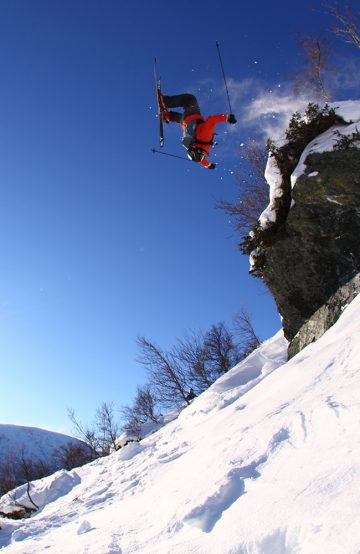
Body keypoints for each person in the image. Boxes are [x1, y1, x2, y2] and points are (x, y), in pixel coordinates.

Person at [160, 92, 237, 169]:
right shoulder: (195, 148)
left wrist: (227, 117)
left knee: (189, 99)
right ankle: (167, 116)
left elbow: (212, 120)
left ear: (202, 152)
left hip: (192, 116)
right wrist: (208, 165)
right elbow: (199, 159)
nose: (205, 156)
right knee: (181, 118)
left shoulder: (206, 138)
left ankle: (165, 101)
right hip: (185, 123)